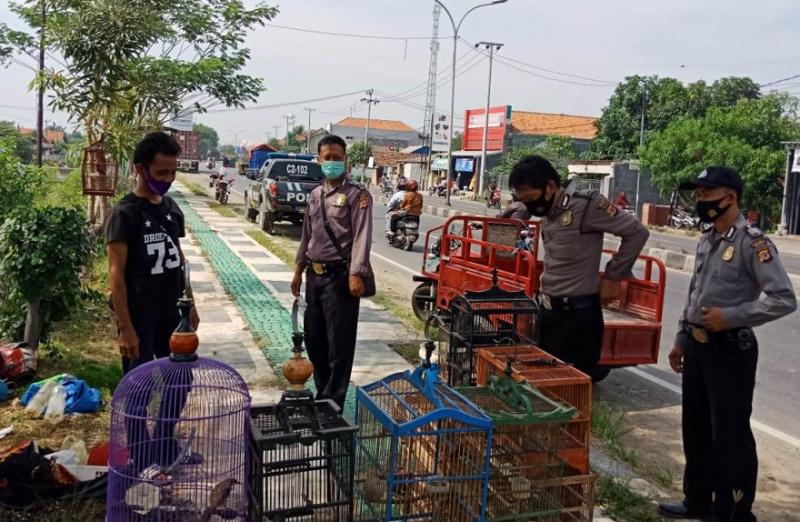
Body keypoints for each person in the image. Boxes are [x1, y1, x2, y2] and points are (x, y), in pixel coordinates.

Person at [658, 167, 796, 522]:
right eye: (699, 195)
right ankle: (698, 500)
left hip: (731, 350)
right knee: (696, 428)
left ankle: (733, 510)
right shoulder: (707, 239)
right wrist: (681, 339)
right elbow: (694, 294)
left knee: (729, 433)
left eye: (708, 194)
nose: (701, 202)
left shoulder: (753, 243)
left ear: (731, 197)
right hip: (699, 348)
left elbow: (783, 298)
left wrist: (732, 316)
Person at [106, 131, 199, 469]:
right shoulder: (124, 214)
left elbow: (179, 258)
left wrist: (190, 302)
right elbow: (116, 274)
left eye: (173, 172)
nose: (168, 180)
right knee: (139, 388)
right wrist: (125, 327)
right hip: (140, 314)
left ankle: (164, 444)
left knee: (181, 379)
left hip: (171, 314)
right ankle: (142, 456)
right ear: (140, 169)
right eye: (161, 173)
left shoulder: (172, 209)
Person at [507, 155, 649, 374]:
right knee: (545, 385)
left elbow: (637, 232)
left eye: (532, 198)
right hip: (548, 313)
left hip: (578, 317)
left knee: (573, 390)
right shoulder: (549, 212)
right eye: (524, 200)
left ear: (551, 187)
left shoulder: (587, 205)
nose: (530, 205)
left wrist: (614, 275)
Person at [290, 135, 373, 408]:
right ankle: (323, 393)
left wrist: (356, 273)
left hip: (341, 277)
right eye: (328, 158)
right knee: (315, 340)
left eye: (338, 157)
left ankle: (332, 402)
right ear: (319, 160)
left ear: (345, 159)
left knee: (340, 345)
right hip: (314, 277)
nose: (333, 162)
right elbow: (307, 236)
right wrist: (298, 269)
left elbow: (362, 236)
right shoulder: (315, 195)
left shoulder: (357, 195)